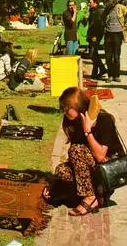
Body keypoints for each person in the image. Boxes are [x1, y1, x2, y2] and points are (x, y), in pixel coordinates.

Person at [43, 87, 121, 216]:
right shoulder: (74, 122)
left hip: (109, 169)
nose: (64, 112)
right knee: (62, 170)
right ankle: (92, 194)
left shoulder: (103, 119)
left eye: (67, 108)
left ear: (77, 105)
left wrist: (88, 131)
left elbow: (101, 155)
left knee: (77, 150)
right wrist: (53, 184)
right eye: (62, 109)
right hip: (92, 170)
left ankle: (90, 197)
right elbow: (75, 161)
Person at [102, 0, 127, 83]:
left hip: (118, 34)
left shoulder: (120, 8)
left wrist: (125, 27)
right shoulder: (106, 10)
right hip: (109, 34)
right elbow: (102, 20)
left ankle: (116, 75)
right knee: (108, 56)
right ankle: (110, 75)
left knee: (116, 56)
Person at [87, 0, 107, 79]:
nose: (89, 4)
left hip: (95, 35)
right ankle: (94, 73)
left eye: (90, 2)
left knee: (92, 54)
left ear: (95, 2)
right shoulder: (93, 10)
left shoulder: (98, 11)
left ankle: (102, 69)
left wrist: (95, 36)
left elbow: (99, 25)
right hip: (92, 34)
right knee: (94, 53)